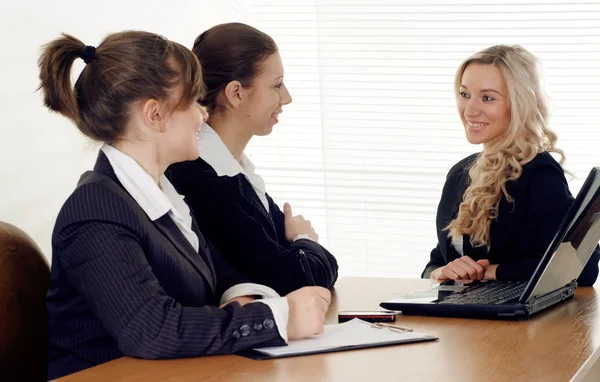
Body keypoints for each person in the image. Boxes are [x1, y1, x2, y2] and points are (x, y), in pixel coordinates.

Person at [40, 31, 331, 380]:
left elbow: (223, 275)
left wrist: (247, 297)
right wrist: (278, 318)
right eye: (193, 101)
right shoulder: (95, 210)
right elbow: (152, 329)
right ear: (155, 115)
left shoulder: (161, 192)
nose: (203, 116)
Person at [167, 23, 338, 296]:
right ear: (236, 93)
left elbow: (306, 267)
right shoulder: (200, 179)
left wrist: (303, 251)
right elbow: (298, 277)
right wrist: (306, 241)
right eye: (277, 85)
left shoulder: (234, 173)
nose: (287, 97)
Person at [422, 45, 599, 285]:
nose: (470, 110)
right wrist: (440, 272)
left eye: (487, 98)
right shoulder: (459, 174)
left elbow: (582, 268)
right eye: (465, 94)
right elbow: (436, 261)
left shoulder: (538, 172)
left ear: (518, 104)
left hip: (513, 322)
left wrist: (490, 272)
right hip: (461, 316)